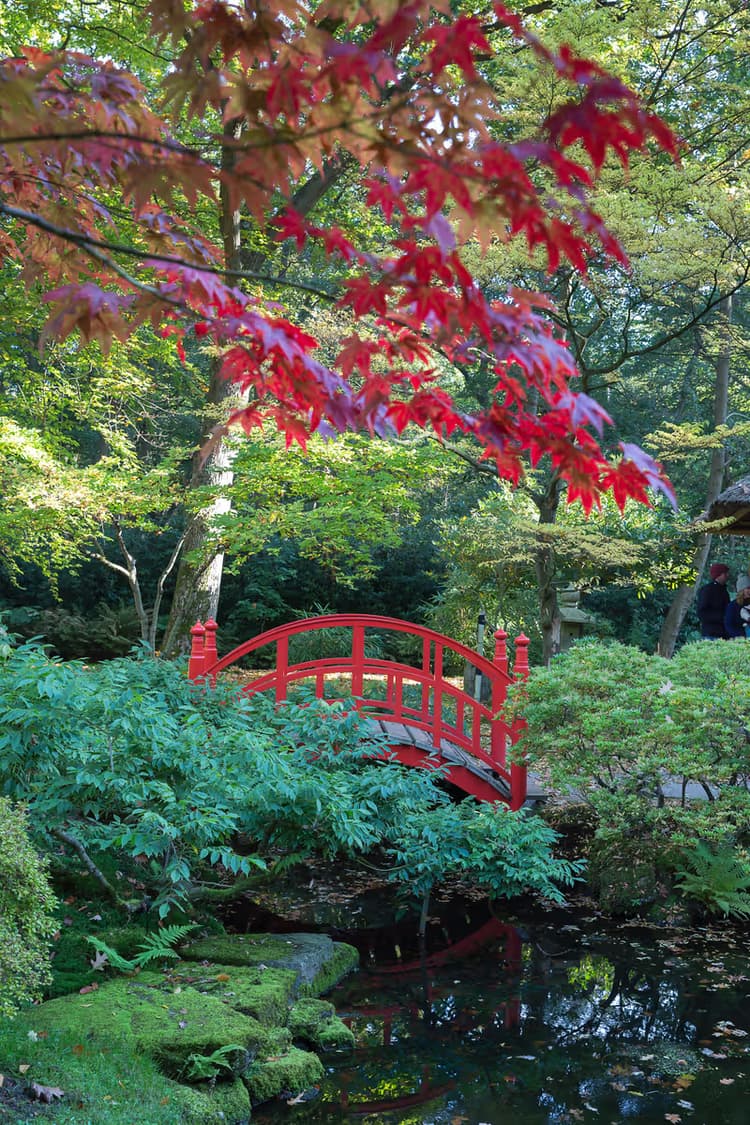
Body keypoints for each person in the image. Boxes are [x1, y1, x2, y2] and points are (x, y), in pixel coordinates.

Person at [696, 562, 730, 639]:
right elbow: (702, 612)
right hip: (711, 633)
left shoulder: (724, 590)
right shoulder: (708, 590)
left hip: (723, 634)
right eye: (725, 573)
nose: (727, 576)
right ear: (719, 575)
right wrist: (723, 617)